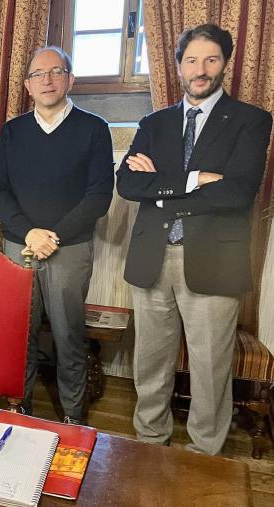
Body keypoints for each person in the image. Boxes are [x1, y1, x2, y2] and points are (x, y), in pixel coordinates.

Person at [117, 24, 272, 455]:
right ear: (179, 66)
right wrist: (195, 179)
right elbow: (128, 184)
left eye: (210, 59)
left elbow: (238, 192)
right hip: (152, 256)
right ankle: (150, 440)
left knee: (209, 367)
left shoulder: (252, 120)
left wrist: (163, 189)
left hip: (213, 261)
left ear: (225, 63)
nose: (200, 70)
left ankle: (205, 452)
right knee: (150, 362)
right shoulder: (154, 122)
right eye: (191, 60)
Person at [0, 46, 114, 424]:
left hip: (69, 250)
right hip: (18, 247)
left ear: (70, 80)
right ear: (27, 85)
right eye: (38, 74)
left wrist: (52, 236)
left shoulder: (93, 129)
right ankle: (18, 407)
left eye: (56, 71)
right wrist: (29, 233)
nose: (46, 79)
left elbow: (99, 196)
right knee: (18, 335)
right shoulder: (13, 131)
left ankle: (73, 417)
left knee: (68, 337)